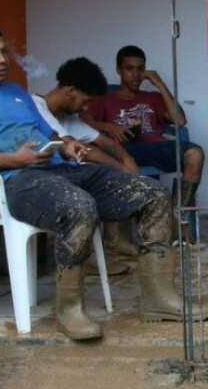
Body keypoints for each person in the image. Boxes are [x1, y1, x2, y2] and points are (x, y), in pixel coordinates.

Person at [0, 22, 208, 341]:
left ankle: (159, 298)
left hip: (58, 171)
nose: (2, 60)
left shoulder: (16, 93)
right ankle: (70, 309)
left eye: (4, 52)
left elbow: (49, 133)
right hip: (15, 182)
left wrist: (65, 144)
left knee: (152, 193)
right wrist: (13, 159)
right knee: (79, 206)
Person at [84, 45, 205, 242]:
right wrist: (108, 126)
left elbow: (180, 120)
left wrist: (159, 84)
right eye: (129, 69)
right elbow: (82, 123)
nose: (135, 75)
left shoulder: (153, 97)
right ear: (119, 70)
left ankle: (177, 217)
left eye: (140, 69)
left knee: (195, 154)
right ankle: (119, 239)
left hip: (155, 146)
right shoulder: (105, 98)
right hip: (122, 150)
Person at [31, 57, 143, 260]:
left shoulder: (67, 117)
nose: (85, 108)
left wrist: (128, 161)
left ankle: (111, 243)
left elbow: (103, 142)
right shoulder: (36, 107)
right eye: (85, 101)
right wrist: (121, 169)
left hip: (63, 177)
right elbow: (80, 148)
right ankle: (88, 255)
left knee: (108, 170)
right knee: (100, 172)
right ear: (70, 91)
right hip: (40, 180)